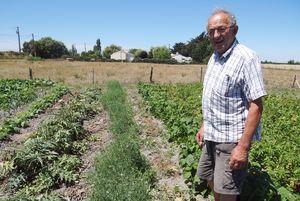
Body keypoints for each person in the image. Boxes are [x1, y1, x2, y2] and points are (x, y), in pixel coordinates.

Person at [195, 9, 267, 201]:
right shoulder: (214, 57)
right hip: (211, 135)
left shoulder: (246, 58)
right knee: (209, 178)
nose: (216, 35)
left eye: (221, 29)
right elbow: (213, 96)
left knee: (227, 191)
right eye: (211, 31)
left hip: (230, 140)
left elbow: (256, 105)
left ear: (234, 30)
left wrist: (243, 147)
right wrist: (204, 124)